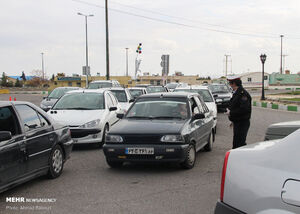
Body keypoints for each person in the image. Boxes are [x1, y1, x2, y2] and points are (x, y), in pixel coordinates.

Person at [226, 76, 252, 149]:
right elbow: (233, 104)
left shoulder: (242, 94)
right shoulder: (237, 93)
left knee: (239, 143)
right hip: (237, 121)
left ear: (234, 84)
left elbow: (244, 109)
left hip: (242, 122)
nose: (229, 85)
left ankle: (241, 158)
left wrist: (231, 113)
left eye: (230, 83)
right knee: (237, 142)